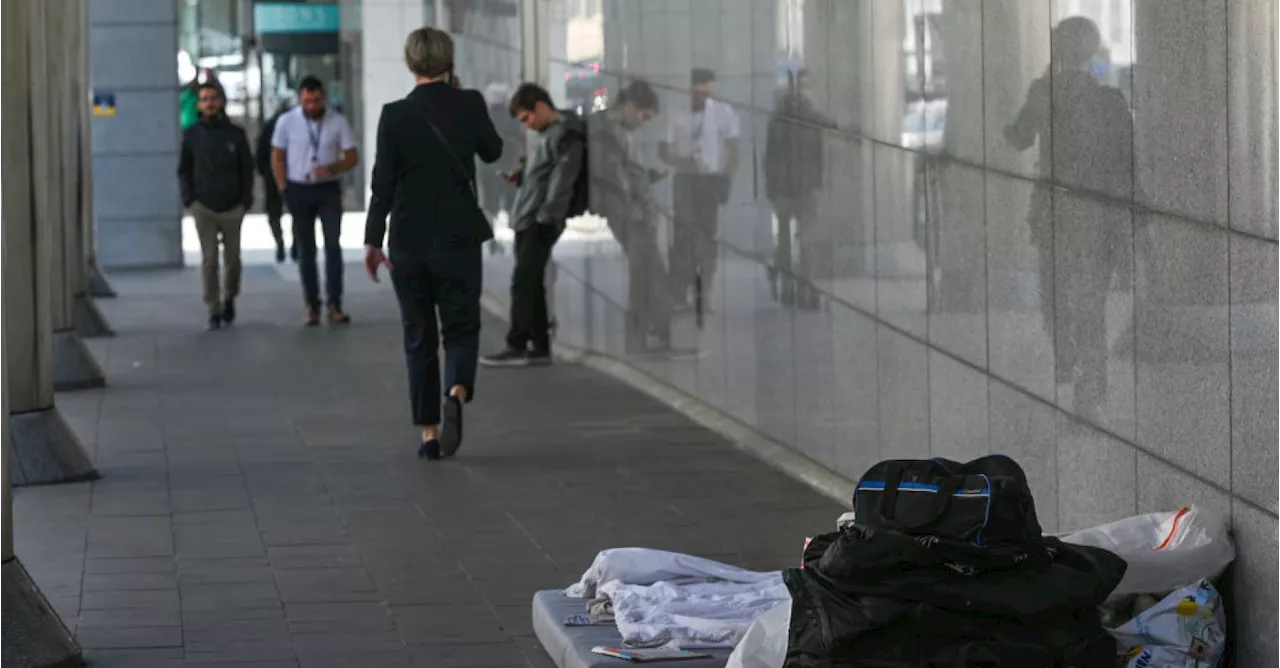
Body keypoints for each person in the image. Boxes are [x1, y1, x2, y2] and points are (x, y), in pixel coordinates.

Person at [364, 27, 503, 460]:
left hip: (408, 241)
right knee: (461, 327)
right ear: (449, 60)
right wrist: (465, 106)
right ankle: (456, 390)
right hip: (459, 239)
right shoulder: (470, 103)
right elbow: (494, 151)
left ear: (410, 64)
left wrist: (373, 241)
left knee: (418, 334)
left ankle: (428, 433)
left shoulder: (394, 114)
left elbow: (382, 185)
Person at [479, 83, 587, 368]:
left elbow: (563, 179)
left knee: (523, 280)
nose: (527, 126)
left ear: (540, 107)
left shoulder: (566, 135)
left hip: (542, 218)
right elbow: (542, 171)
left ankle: (517, 343)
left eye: (527, 118)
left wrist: (547, 216)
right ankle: (539, 346)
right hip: (528, 216)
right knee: (532, 280)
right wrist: (521, 175)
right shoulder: (545, 134)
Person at [590, 80, 674, 353]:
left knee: (645, 273)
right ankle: (654, 334)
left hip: (633, 210)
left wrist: (647, 177)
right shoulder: (605, 132)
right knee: (651, 272)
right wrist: (635, 209)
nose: (642, 123)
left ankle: (646, 335)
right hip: (630, 213)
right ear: (629, 106)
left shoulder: (616, 131)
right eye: (643, 116)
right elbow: (612, 178)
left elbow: (623, 173)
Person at [271, 75, 360, 326]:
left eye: (316, 101)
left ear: (324, 98)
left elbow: (352, 156)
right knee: (306, 250)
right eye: (307, 101)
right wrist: (283, 187)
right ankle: (312, 304)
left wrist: (333, 168)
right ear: (300, 99)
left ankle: (335, 303)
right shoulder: (287, 122)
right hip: (298, 189)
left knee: (333, 246)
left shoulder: (337, 121)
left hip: (328, 190)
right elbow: (277, 156)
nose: (312, 106)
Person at [659, 67, 741, 311]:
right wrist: (683, 162)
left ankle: (704, 293)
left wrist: (725, 178)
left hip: (710, 180)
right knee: (683, 236)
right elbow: (663, 149)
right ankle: (678, 293)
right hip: (685, 180)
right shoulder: (677, 113)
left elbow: (734, 150)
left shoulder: (724, 113)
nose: (703, 100)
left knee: (707, 237)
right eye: (699, 94)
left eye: (708, 94)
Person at [177, 82, 254, 330]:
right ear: (199, 104)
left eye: (213, 98)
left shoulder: (235, 134)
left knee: (233, 259)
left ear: (221, 101)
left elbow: (247, 169)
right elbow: (184, 170)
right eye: (204, 99)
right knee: (209, 259)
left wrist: (245, 200)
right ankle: (213, 307)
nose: (209, 102)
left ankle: (229, 296)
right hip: (204, 207)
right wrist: (190, 199)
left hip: (232, 206)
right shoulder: (191, 135)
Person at [764, 69, 827, 310]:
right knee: (785, 242)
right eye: (799, 86)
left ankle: (801, 284)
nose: (802, 91)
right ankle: (788, 281)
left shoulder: (808, 118)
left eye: (805, 87)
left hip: (804, 187)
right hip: (786, 187)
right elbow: (770, 155)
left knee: (805, 241)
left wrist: (817, 182)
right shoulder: (781, 118)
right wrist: (771, 185)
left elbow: (818, 155)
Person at [257, 100, 296, 263]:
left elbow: (260, 153)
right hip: (289, 174)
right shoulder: (292, 126)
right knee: (296, 211)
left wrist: (264, 171)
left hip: (279, 174)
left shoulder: (270, 125)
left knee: (275, 212)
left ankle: (283, 243)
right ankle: (293, 245)